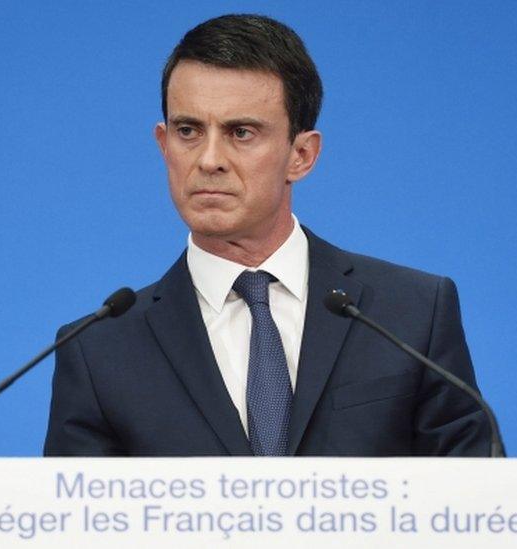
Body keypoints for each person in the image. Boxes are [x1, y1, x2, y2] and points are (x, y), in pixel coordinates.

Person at [43, 14, 492, 457]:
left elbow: (478, 506)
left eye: (241, 132)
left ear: (301, 154)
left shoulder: (410, 313)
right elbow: (78, 527)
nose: (209, 160)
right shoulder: (99, 352)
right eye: (188, 131)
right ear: (163, 144)